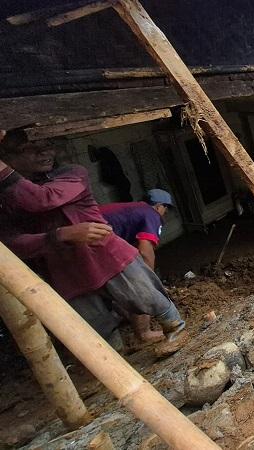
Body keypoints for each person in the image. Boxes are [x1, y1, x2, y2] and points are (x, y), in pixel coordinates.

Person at [0, 129, 187, 349]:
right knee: (96, 324)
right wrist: (60, 235)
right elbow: (11, 244)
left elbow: (42, 199)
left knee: (143, 294)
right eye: (31, 148)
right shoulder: (150, 215)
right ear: (8, 157)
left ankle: (174, 328)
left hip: (104, 254)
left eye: (47, 145)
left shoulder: (72, 173)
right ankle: (118, 357)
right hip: (65, 270)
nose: (44, 152)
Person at [99, 189, 175, 343]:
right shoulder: (151, 214)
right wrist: (149, 280)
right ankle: (144, 333)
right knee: (140, 285)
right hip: (96, 243)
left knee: (114, 288)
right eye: (165, 209)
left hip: (82, 242)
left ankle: (126, 317)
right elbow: (146, 251)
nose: (164, 213)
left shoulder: (134, 210)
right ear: (159, 206)